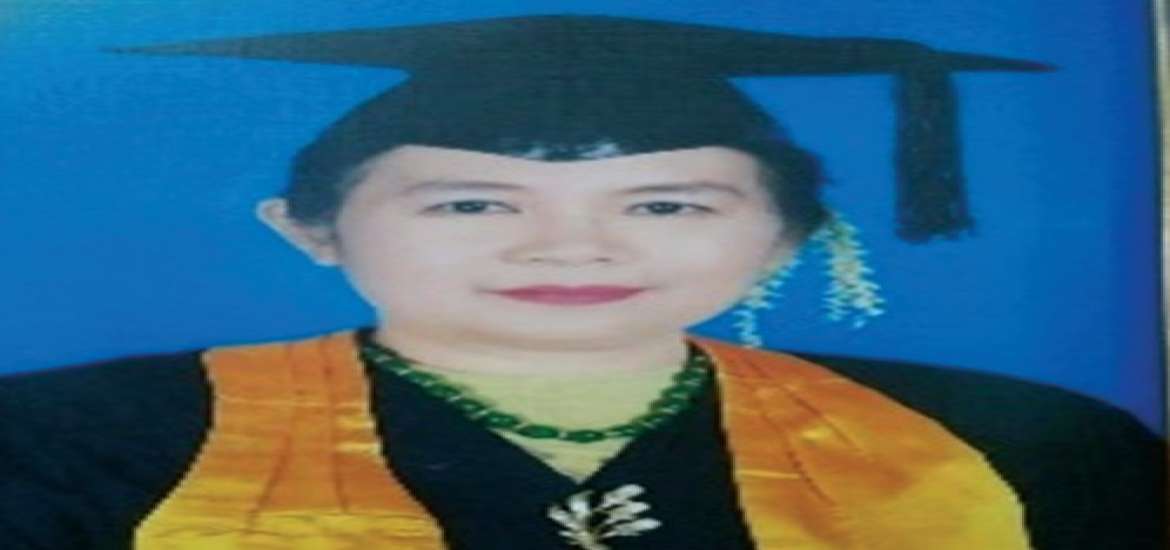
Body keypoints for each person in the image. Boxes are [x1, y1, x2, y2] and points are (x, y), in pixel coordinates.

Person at [0, 15, 1164, 550]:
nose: (571, 249)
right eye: (470, 203)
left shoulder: (1021, 445)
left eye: (667, 205)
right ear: (308, 228)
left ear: (787, 238)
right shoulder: (71, 440)